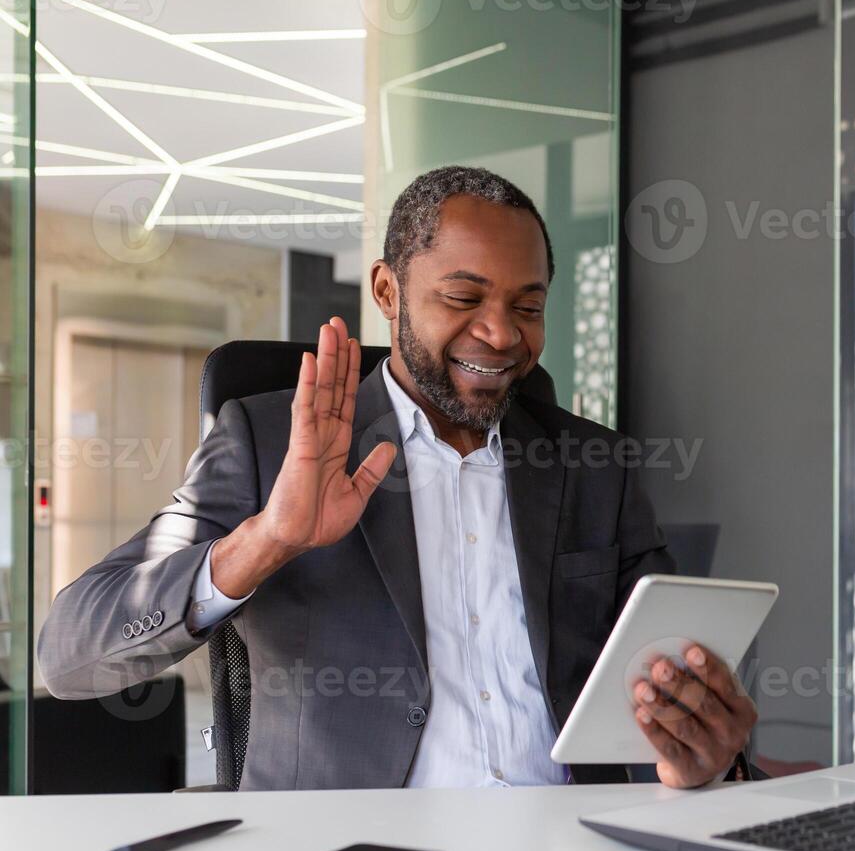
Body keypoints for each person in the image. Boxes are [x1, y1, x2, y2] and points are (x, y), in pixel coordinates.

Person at [36, 166, 756, 791]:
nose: (502, 334)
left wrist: (704, 757)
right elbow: (68, 656)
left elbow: (670, 686)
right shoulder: (270, 442)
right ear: (387, 289)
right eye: (464, 298)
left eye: (527, 307)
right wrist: (266, 541)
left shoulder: (596, 465)